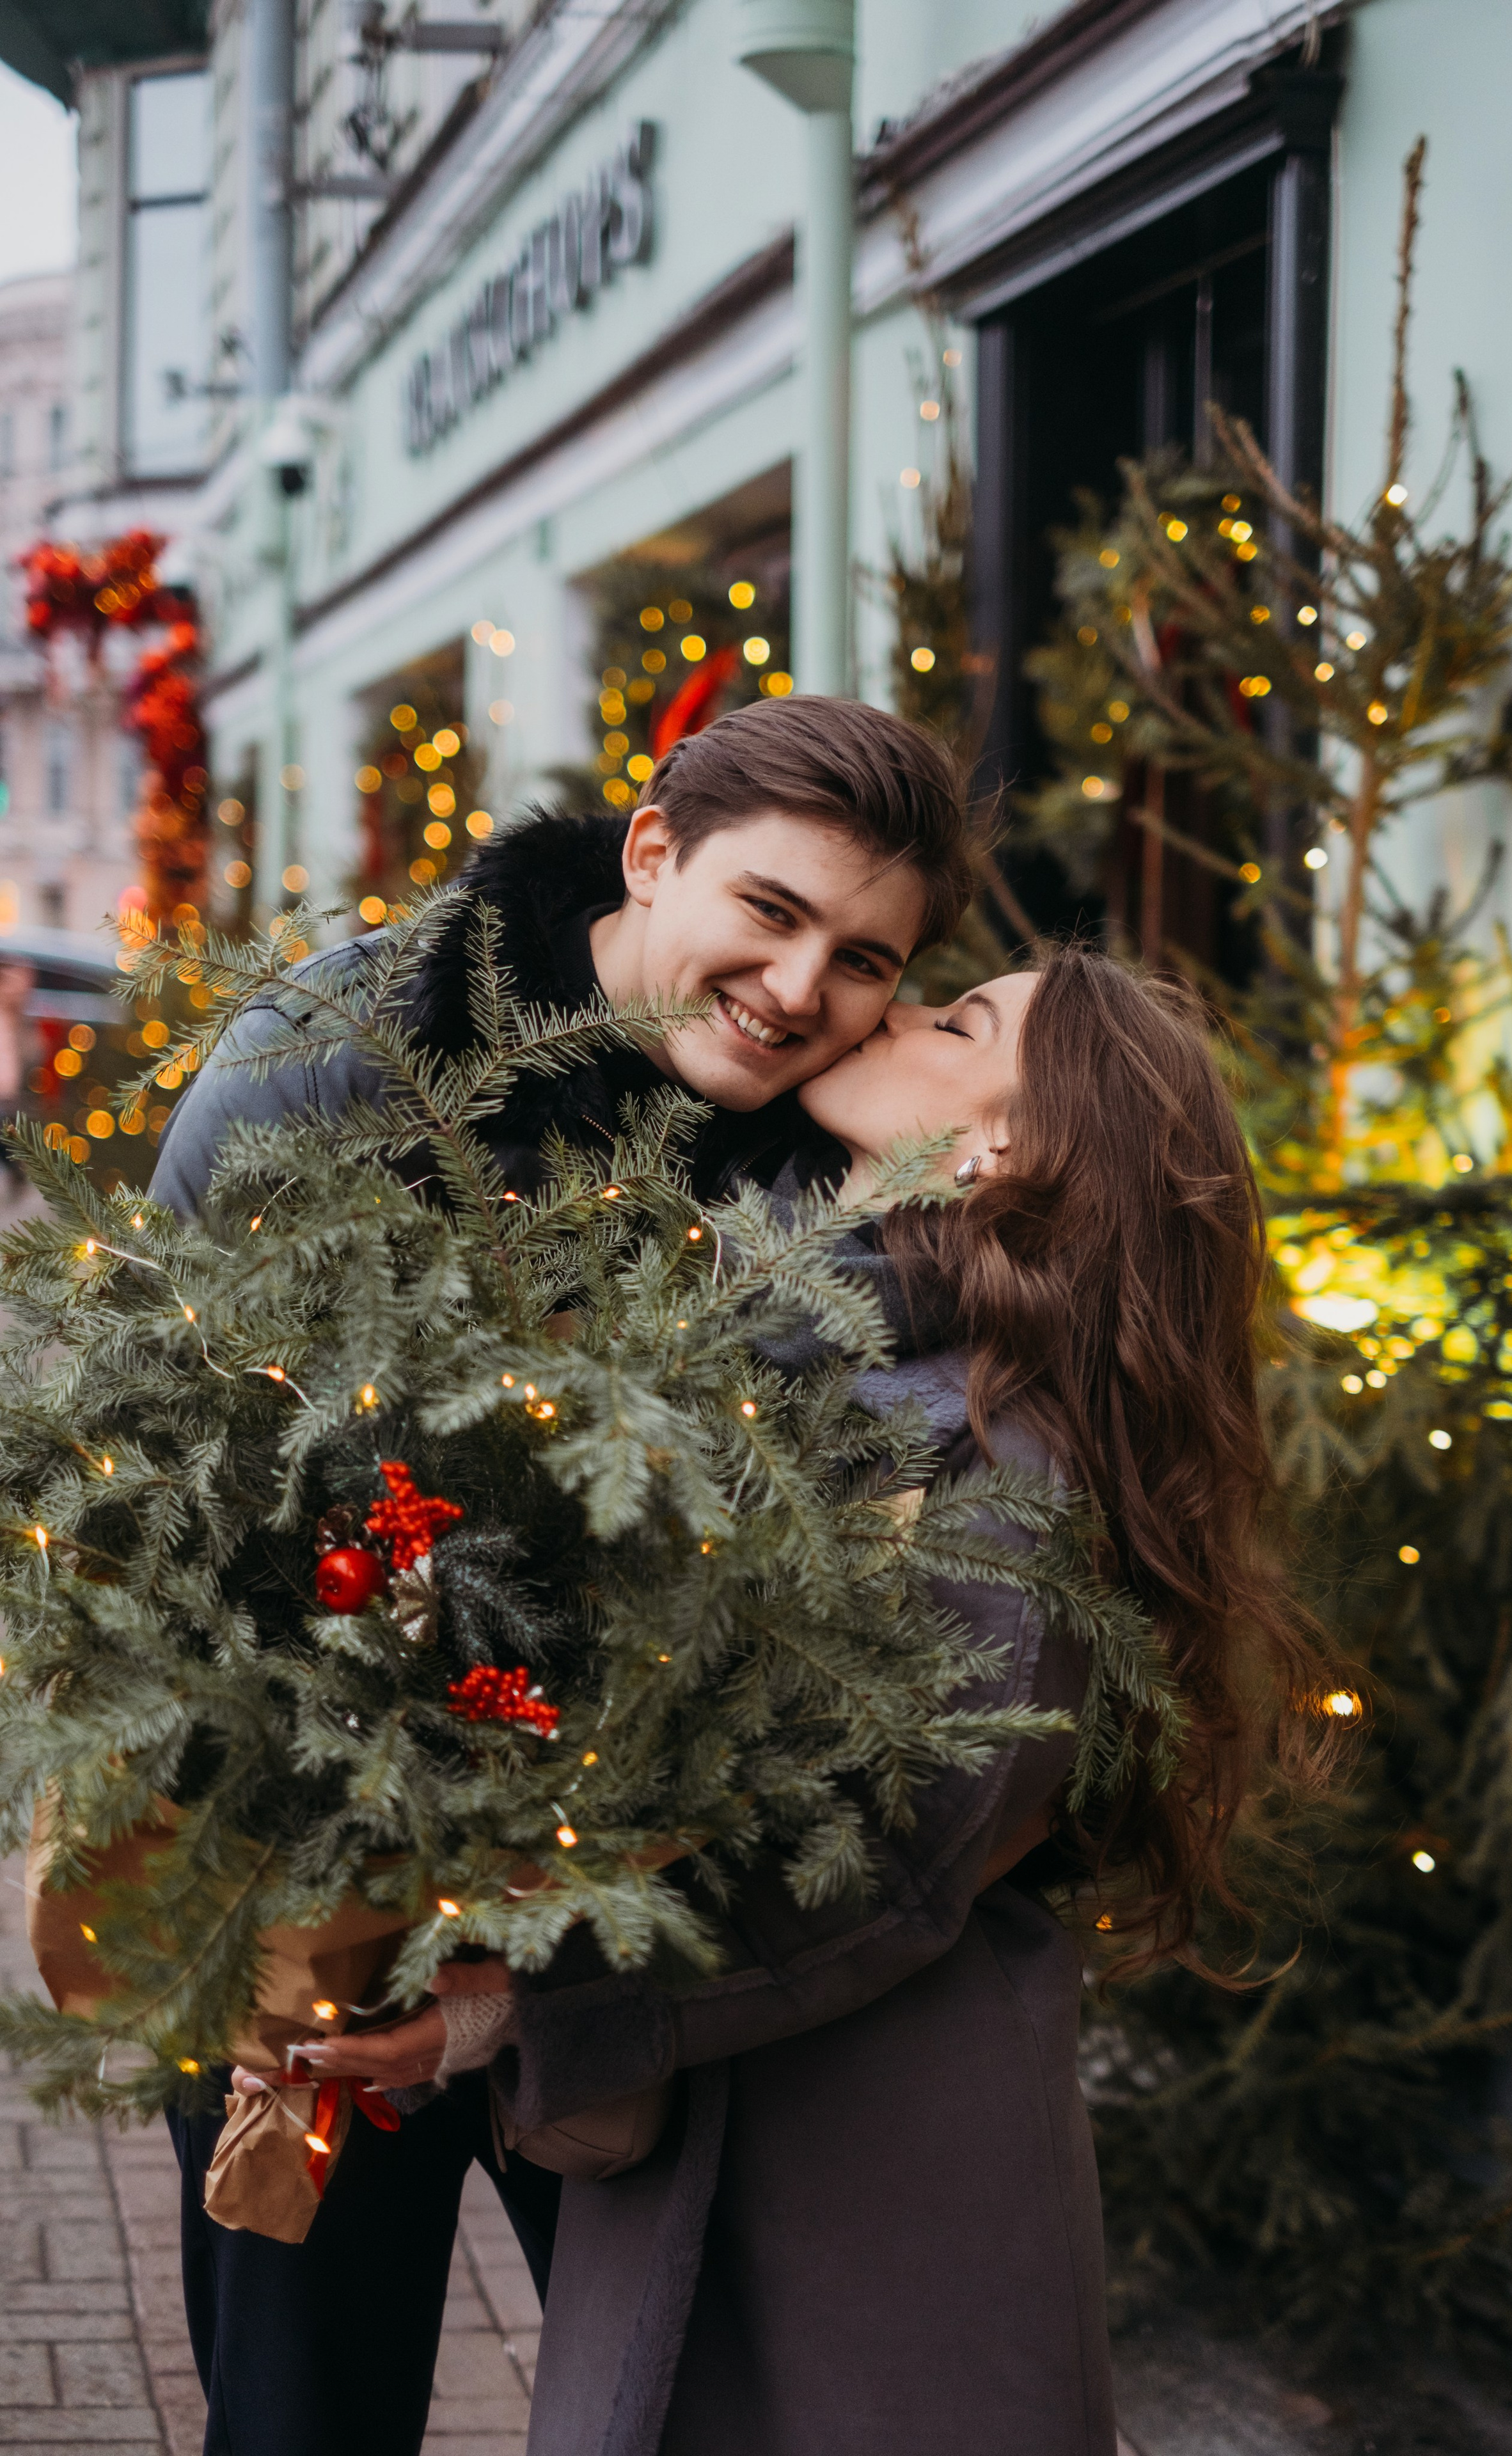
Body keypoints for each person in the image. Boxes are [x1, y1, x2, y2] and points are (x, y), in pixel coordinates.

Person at [304, 946, 1324, 2456]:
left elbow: (895, 1866)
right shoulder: (789, 1327)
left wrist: (510, 2013)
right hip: (746, 2126)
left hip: (873, 2168)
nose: (895, 1012)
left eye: (957, 1020)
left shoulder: (1003, 1452)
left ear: (1004, 1150)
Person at [152, 695, 977, 2456]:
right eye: (771, 910)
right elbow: (171, 1454)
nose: (800, 986)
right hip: (308, 1858)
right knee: (309, 2394)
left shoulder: (815, 1137)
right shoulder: (355, 1052)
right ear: (655, 850)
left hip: (620, 1906)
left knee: (660, 2381)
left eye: (865, 958)